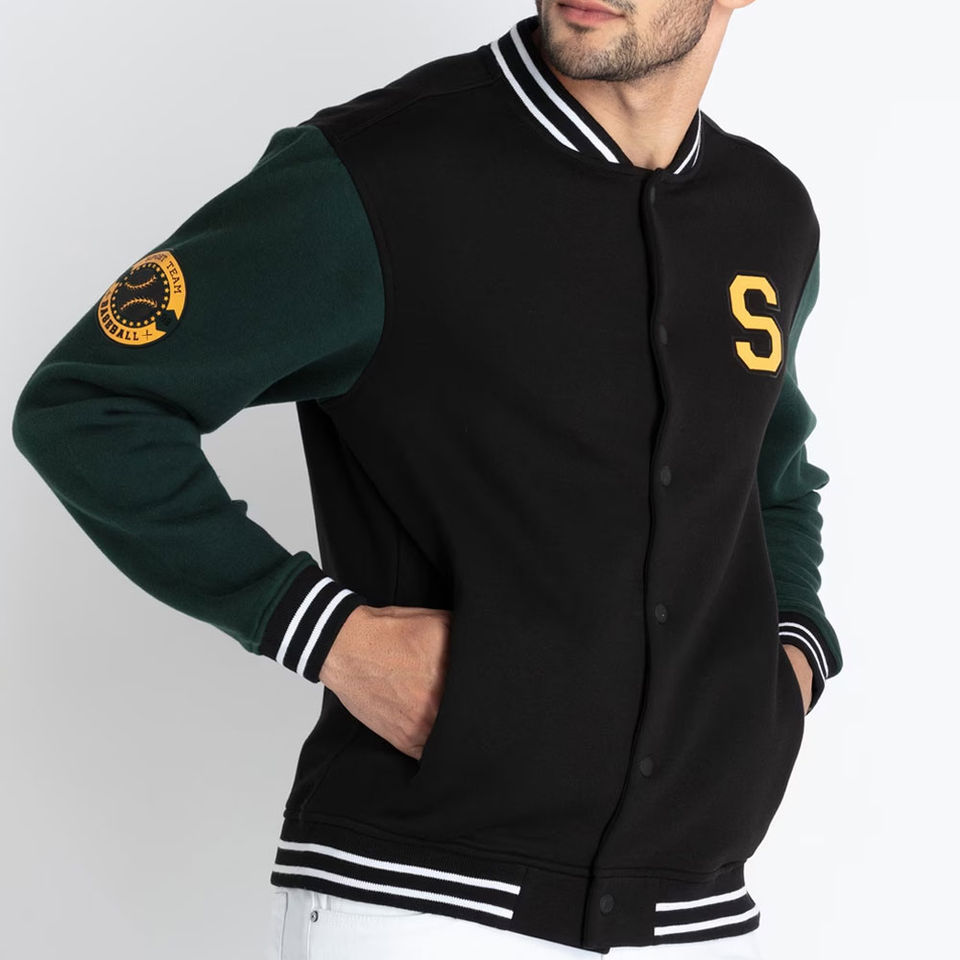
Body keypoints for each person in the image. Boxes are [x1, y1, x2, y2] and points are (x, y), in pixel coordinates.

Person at [11, 1, 843, 957]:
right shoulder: (378, 174)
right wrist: (326, 634)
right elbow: (90, 405)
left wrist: (792, 663)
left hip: (695, 912)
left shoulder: (768, 217)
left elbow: (770, 479)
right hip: (418, 907)